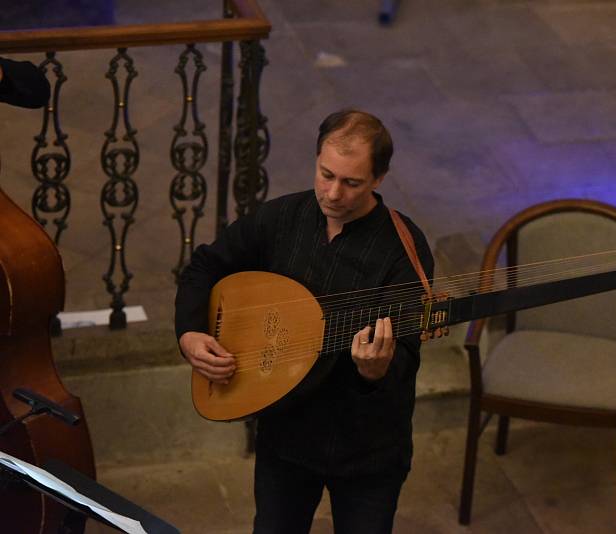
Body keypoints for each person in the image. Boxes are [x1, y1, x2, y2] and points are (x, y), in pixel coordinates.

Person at [175, 109, 434, 534]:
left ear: (378, 179)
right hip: (286, 439)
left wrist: (377, 370)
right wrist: (190, 333)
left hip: (367, 451)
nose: (333, 193)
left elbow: (405, 352)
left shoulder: (403, 248)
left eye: (351, 183)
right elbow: (205, 266)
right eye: (325, 174)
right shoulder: (281, 219)